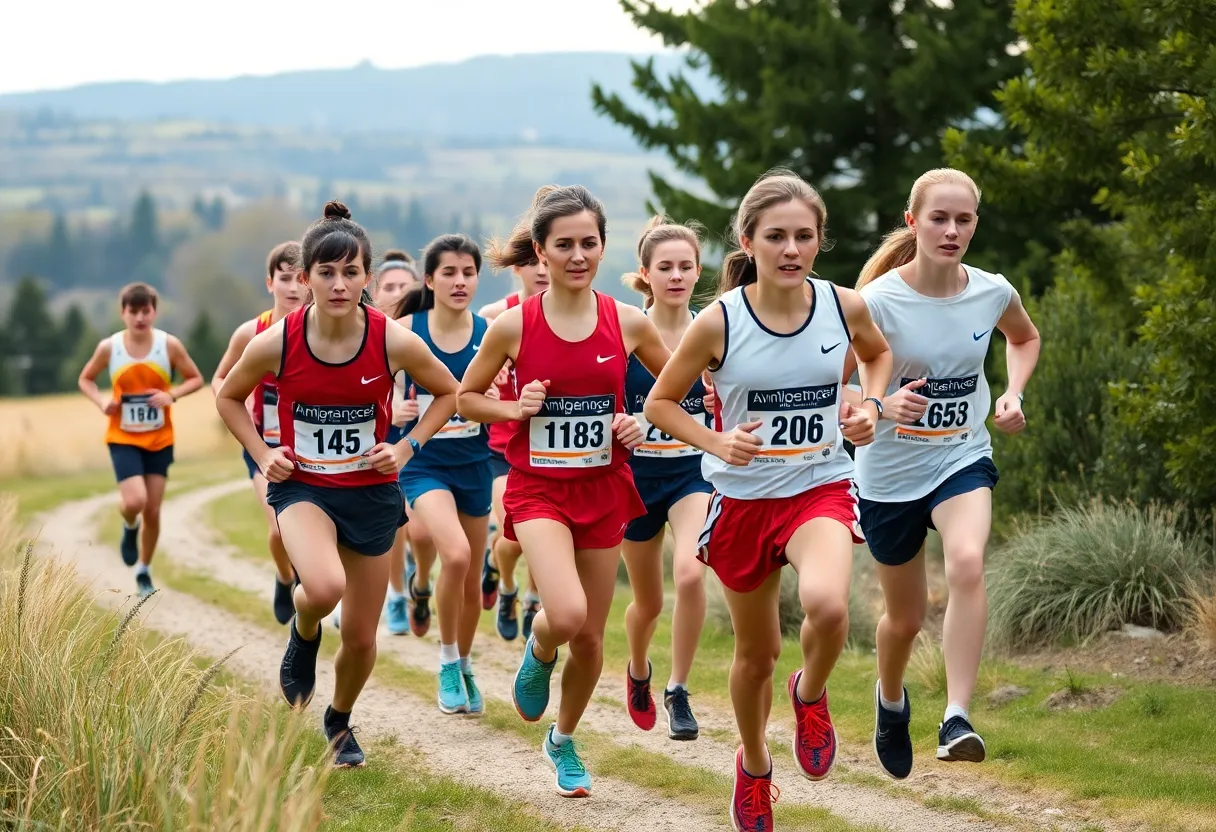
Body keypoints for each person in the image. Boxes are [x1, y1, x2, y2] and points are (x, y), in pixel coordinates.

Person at [643, 169, 892, 831]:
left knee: (829, 606)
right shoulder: (717, 321)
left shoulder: (845, 306)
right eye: (776, 235)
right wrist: (716, 443)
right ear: (748, 241)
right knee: (756, 656)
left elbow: (878, 356)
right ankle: (754, 766)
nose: (790, 248)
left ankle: (810, 695)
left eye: (803, 236)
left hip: (820, 488)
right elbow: (660, 404)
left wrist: (866, 404)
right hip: (742, 504)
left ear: (819, 242)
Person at [215, 202, 460, 768]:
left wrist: (405, 446)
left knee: (360, 637)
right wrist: (261, 451)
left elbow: (448, 393)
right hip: (304, 487)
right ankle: (303, 628)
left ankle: (339, 721)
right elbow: (227, 395)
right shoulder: (278, 340)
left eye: (351, 273)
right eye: (326, 273)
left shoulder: (390, 339)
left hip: (370, 494)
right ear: (304, 280)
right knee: (324, 588)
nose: (339, 284)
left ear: (367, 278)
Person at [457, 185, 668, 798]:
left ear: (603, 247)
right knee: (568, 616)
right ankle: (538, 645)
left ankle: (564, 740)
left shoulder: (628, 321)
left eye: (589, 243)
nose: (578, 255)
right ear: (540, 254)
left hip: (606, 488)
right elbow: (465, 398)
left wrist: (641, 421)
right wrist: (512, 406)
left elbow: (676, 386)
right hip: (539, 489)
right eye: (564, 245)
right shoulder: (514, 326)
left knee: (593, 638)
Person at [848, 168, 1040, 779]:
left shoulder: (991, 291)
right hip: (888, 472)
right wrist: (880, 405)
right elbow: (836, 384)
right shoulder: (876, 300)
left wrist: (1011, 393)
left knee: (965, 564)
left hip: (961, 455)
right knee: (903, 619)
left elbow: (1025, 337)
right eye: (939, 218)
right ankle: (891, 698)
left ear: (975, 224)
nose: (952, 230)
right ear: (913, 223)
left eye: (964, 220)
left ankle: (957, 716)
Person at [618, 216, 715, 741]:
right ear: (645, 274)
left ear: (698, 270)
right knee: (648, 602)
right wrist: (623, 421)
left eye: (685, 266)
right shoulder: (628, 332)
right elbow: (603, 399)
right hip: (636, 478)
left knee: (692, 571)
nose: (676, 275)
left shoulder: (714, 330)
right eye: (665, 267)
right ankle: (638, 668)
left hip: (692, 474)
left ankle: (677, 689)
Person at [391, 233, 495, 715]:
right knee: (454, 555)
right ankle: (448, 661)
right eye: (448, 273)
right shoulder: (406, 330)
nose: (459, 281)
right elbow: (373, 391)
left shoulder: (489, 332)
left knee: (472, 580)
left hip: (474, 463)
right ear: (428, 279)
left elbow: (507, 394)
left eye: (468, 273)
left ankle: (467, 661)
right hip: (423, 462)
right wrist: (395, 409)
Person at [78, 282, 204, 598]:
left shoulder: (168, 345)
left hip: (160, 439)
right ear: (123, 313)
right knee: (136, 502)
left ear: (154, 311)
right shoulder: (110, 348)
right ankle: (128, 526)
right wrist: (102, 402)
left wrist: (170, 395)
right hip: (122, 436)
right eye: (133, 311)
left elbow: (196, 378)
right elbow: (86, 378)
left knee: (154, 510)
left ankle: (144, 571)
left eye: (145, 310)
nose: (139, 317)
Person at [211, 241, 306, 624]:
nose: (293, 288)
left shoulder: (322, 329)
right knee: (280, 526)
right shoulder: (251, 332)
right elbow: (219, 378)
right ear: (270, 283)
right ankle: (286, 578)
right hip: (262, 444)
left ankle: (307, 581)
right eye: (284, 278)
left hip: (307, 444)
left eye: (300, 278)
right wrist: (235, 403)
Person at [478, 185, 556, 642]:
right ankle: (503, 579)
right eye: (528, 260)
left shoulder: (581, 317)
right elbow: (465, 378)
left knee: (544, 539)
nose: (539, 270)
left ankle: (532, 599)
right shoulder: (495, 317)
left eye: (543, 260)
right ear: (517, 266)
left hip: (555, 449)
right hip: (502, 447)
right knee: (512, 541)